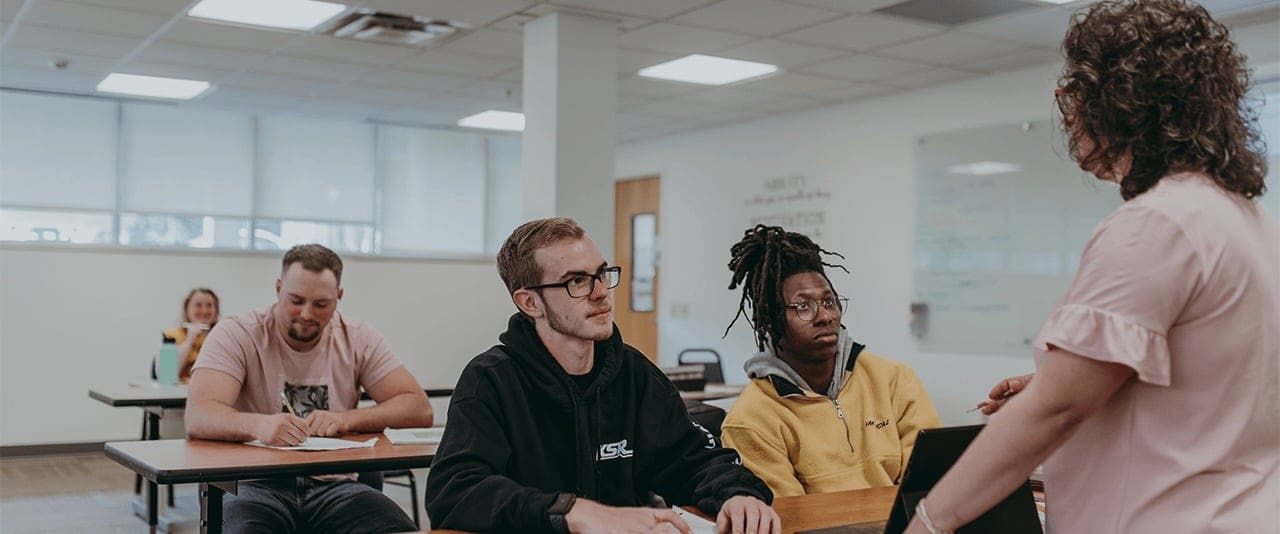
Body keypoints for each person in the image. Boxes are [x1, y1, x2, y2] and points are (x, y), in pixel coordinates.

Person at [905, 2, 1278, 533]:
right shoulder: (1250, 219)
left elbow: (1058, 411)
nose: (1069, 110)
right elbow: (1212, 380)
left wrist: (928, 522)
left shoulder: (1157, 223)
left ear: (1121, 101)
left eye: (1073, 91)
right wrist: (1053, 380)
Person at [424, 217, 779, 534]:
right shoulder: (491, 380)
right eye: (576, 281)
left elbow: (693, 460)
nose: (600, 293)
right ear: (530, 302)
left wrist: (737, 494)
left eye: (601, 274)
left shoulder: (633, 373)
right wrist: (570, 512)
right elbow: (455, 492)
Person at [186, 244, 433, 533]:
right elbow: (199, 414)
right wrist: (260, 426)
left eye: (321, 304)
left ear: (339, 297)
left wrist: (345, 419)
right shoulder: (237, 333)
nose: (306, 313)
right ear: (278, 289)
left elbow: (418, 407)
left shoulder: (358, 337)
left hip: (335, 487)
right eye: (296, 300)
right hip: (253, 485)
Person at [719, 225, 940, 497]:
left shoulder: (894, 380)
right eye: (803, 306)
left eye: (829, 301)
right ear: (771, 321)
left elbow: (928, 483)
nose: (824, 316)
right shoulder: (751, 420)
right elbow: (793, 519)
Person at [162, 288, 219, 383]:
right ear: (187, 308)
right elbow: (166, 375)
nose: (204, 311)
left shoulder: (222, 337)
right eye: (198, 305)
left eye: (209, 305)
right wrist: (189, 340)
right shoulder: (171, 336)